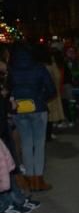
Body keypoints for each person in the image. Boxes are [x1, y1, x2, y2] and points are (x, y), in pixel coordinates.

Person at [8, 43, 56, 191]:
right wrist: (41, 98)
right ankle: (39, 180)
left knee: (26, 144)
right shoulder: (39, 67)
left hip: (19, 109)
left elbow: (7, 88)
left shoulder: (11, 69)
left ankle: (29, 178)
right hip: (38, 108)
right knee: (39, 144)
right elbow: (52, 90)